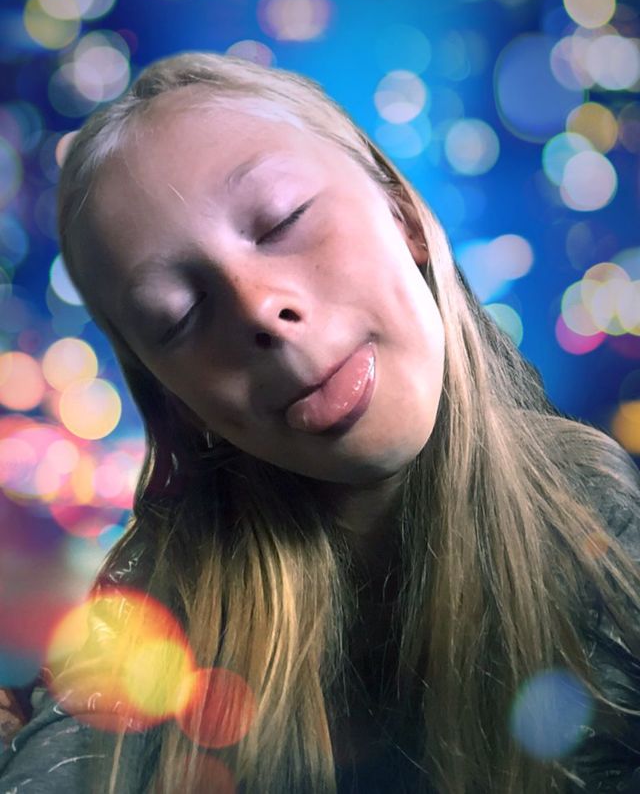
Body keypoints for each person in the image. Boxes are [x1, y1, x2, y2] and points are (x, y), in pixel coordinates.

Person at [1, 51, 639, 794]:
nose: (259, 308)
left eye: (284, 220)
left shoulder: (595, 518)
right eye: (177, 315)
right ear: (175, 399)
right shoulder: (142, 627)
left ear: (403, 215)